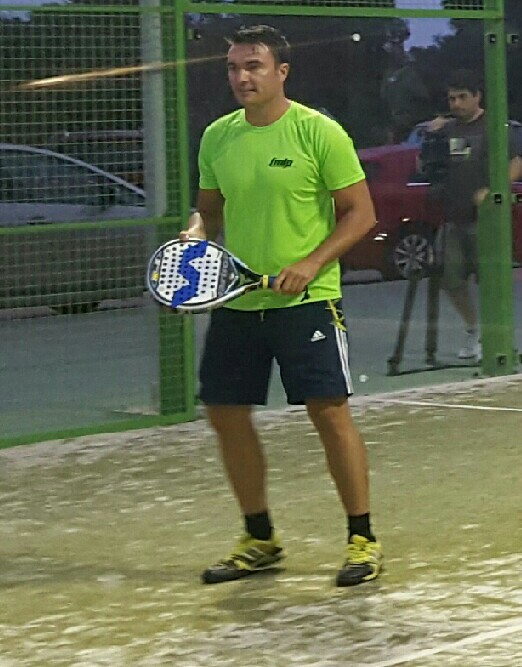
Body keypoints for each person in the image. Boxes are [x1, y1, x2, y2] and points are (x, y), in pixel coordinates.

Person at [181, 25, 382, 587]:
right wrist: (194, 236)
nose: (241, 77)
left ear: (281, 72)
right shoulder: (218, 137)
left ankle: (362, 539)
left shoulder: (319, 132)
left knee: (329, 412)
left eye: (254, 66)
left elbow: (361, 214)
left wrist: (311, 263)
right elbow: (208, 212)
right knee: (225, 413)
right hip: (239, 302)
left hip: (308, 304)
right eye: (233, 67)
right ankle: (260, 539)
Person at [422, 69, 522, 361]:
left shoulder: (495, 125)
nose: (456, 103)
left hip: (485, 218)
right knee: (449, 277)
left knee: (490, 279)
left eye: (462, 97)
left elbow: (516, 161)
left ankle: (496, 339)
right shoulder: (448, 129)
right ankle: (473, 330)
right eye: (452, 98)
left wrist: (494, 192)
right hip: (454, 216)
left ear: (477, 96)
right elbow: (427, 166)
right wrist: (431, 137)